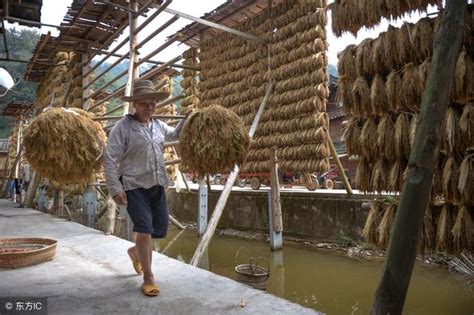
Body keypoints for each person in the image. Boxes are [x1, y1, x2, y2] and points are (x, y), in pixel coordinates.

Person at [104, 79, 188, 297]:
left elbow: (175, 135)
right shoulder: (122, 128)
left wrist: (187, 119)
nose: (149, 107)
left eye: (152, 103)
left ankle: (135, 251)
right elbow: (110, 159)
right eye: (144, 104)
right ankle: (149, 277)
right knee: (144, 228)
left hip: (157, 184)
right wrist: (115, 189)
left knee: (159, 229)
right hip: (133, 185)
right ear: (135, 105)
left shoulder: (158, 125)